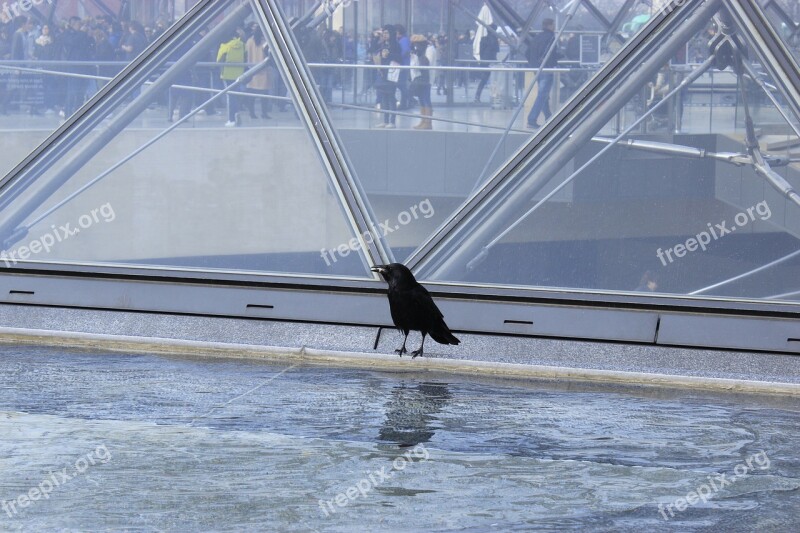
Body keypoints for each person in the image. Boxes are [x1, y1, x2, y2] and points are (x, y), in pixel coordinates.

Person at [526, 18, 557, 129]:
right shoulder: (551, 37)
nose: (555, 27)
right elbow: (549, 52)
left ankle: (549, 117)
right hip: (546, 68)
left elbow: (527, 52)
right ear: (549, 25)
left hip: (536, 69)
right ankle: (531, 119)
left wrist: (533, 63)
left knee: (543, 94)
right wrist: (554, 61)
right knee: (543, 94)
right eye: (553, 24)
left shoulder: (537, 37)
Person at [217, 26, 246, 127]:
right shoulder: (242, 45)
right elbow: (245, 57)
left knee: (230, 97)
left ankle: (231, 119)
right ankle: (237, 112)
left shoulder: (225, 46)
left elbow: (219, 60)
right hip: (239, 73)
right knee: (236, 95)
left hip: (227, 74)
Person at [375, 25, 401, 129]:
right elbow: (373, 49)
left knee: (391, 97)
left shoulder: (396, 45)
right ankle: (385, 120)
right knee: (383, 97)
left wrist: (389, 55)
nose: (384, 35)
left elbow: (399, 59)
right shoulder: (383, 44)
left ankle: (392, 121)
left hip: (392, 74)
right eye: (383, 33)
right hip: (383, 73)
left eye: (386, 33)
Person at [245, 29, 272, 119]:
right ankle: (264, 113)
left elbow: (246, 54)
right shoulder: (265, 42)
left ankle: (252, 113)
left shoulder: (249, 41)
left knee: (251, 94)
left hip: (252, 70)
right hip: (264, 70)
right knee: (264, 95)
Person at [410, 34, 432, 130]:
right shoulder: (419, 52)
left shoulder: (429, 50)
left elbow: (427, 64)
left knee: (426, 100)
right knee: (422, 100)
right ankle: (423, 120)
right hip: (420, 78)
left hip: (426, 79)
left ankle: (428, 122)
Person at [474, 23, 499, 103]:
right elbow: (496, 50)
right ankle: (494, 97)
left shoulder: (483, 39)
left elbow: (481, 51)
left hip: (485, 61)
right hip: (492, 61)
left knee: (484, 80)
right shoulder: (494, 40)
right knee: (494, 81)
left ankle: (477, 96)